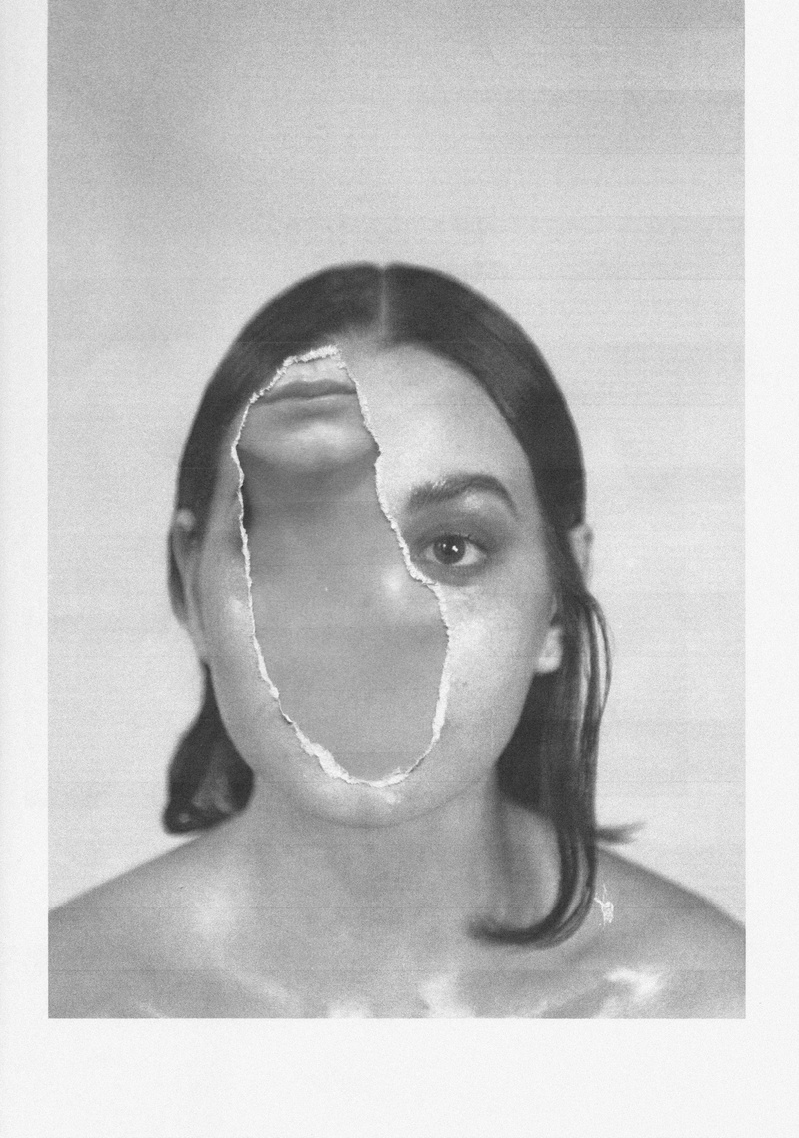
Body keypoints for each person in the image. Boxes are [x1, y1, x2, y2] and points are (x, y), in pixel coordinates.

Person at [49, 264, 744, 1018]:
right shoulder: (50, 997)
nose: (374, 622)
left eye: (452, 548)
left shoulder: (715, 1004)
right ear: (191, 587)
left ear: (556, 605)